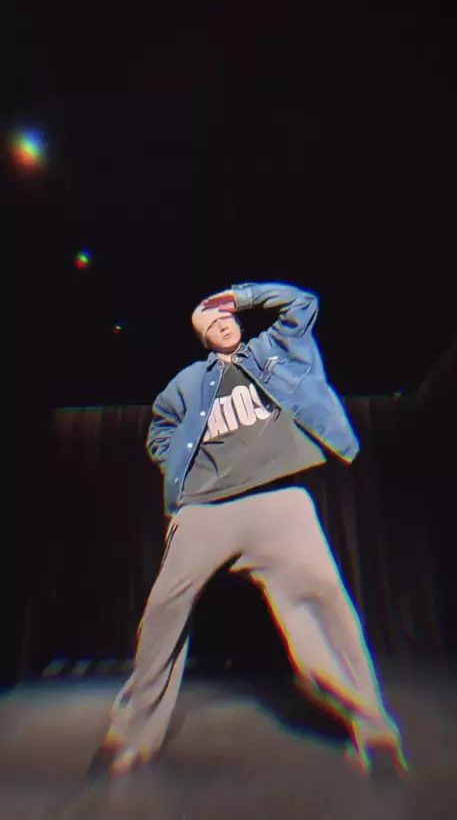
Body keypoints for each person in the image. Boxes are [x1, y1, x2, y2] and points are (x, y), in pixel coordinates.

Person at [103, 282, 407, 777]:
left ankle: (374, 730)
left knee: (321, 607)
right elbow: (159, 432)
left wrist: (240, 295)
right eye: (211, 324)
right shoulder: (185, 385)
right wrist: (185, 471)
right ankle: (131, 733)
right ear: (202, 339)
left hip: (277, 504)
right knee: (163, 613)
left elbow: (303, 304)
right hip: (205, 512)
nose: (222, 325)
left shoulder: (273, 352)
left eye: (226, 318)